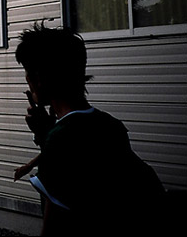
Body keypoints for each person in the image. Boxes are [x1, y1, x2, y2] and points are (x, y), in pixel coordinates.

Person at [15, 22, 165, 235]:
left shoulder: (60, 140)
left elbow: (55, 223)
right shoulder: (109, 124)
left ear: (38, 79)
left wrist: (48, 137)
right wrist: (46, 135)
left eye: (28, 75)